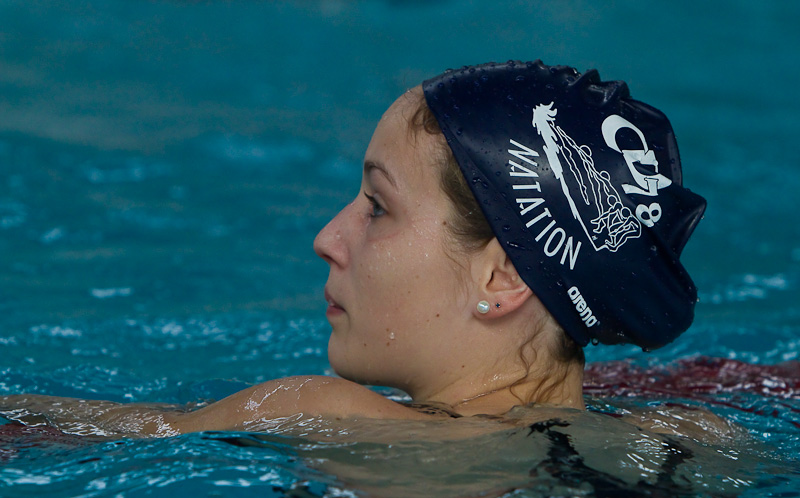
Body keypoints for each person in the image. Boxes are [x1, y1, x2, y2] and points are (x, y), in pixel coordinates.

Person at [0, 61, 706, 437]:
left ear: (502, 277)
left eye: (377, 207)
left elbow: (52, 432)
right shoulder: (688, 435)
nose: (326, 240)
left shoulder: (320, 412)